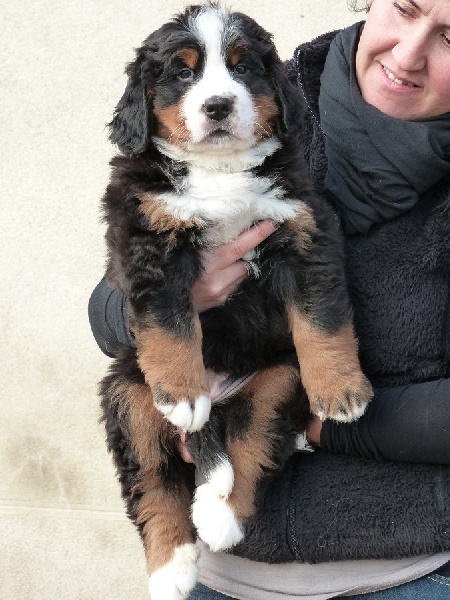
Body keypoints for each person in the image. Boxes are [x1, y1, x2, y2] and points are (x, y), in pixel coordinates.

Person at [88, 0, 450, 597]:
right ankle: (164, 532)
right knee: (129, 403)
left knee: (279, 380)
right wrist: (180, 300)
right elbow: (109, 310)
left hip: (405, 573)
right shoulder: (282, 89)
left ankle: (232, 479)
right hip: (223, 577)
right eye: (406, 8)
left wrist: (310, 419)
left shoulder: (271, 128)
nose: (409, 54)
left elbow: (312, 282)